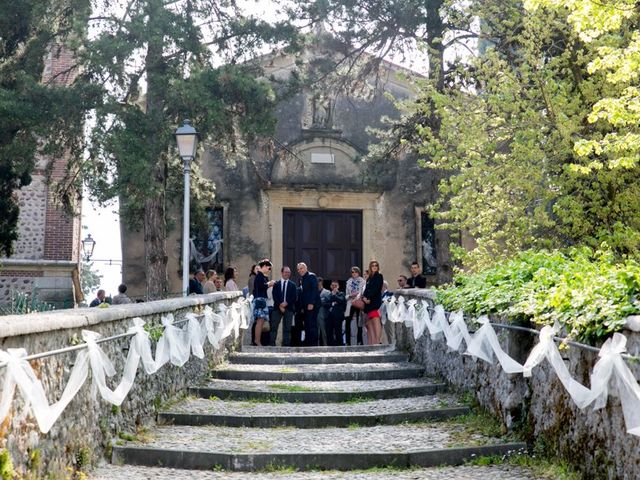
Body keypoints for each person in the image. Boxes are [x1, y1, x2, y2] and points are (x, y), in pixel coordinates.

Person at [270, 266, 297, 347]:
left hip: (289, 309)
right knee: (274, 327)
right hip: (277, 308)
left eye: (288, 272)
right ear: (282, 273)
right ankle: (272, 345)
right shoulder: (276, 284)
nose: (287, 274)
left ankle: (286, 346)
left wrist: (286, 303)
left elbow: (294, 297)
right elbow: (274, 295)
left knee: (287, 329)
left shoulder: (293, 285)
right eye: (285, 272)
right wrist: (280, 304)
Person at [297, 262, 320, 346]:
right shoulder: (302, 279)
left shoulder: (311, 276)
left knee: (312, 325)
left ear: (306, 268)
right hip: (305, 307)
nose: (300, 271)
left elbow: (314, 290)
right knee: (307, 325)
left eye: (301, 268)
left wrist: (311, 303)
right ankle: (308, 344)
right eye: (298, 269)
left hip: (312, 306)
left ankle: (314, 345)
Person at [253, 259, 275, 346]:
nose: (269, 270)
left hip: (262, 300)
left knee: (261, 321)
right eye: (269, 268)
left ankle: (258, 340)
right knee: (260, 321)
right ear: (265, 266)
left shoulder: (262, 276)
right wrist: (270, 284)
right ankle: (257, 341)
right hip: (260, 300)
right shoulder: (259, 275)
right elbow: (261, 286)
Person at [362, 260, 383, 345]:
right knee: (369, 323)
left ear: (378, 267)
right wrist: (364, 298)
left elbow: (376, 289)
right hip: (367, 303)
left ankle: (377, 342)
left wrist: (369, 298)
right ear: (370, 267)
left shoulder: (379, 276)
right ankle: (372, 343)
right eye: (372, 265)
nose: (374, 267)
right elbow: (366, 290)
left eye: (376, 265)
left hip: (374, 302)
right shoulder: (369, 278)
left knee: (376, 320)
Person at [344, 266, 365, 346]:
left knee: (359, 322)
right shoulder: (348, 281)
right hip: (350, 303)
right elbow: (346, 295)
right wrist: (350, 295)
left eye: (355, 272)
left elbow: (363, 292)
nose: (354, 273)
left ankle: (359, 341)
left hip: (358, 302)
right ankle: (347, 342)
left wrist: (357, 295)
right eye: (352, 272)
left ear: (358, 273)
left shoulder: (362, 281)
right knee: (347, 322)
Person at [327, 280, 346, 346]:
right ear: (330, 286)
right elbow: (325, 303)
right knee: (329, 332)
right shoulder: (328, 294)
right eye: (332, 285)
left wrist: (335, 295)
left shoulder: (341, 294)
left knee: (338, 332)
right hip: (329, 316)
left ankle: (340, 346)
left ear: (338, 286)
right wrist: (332, 303)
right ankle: (330, 346)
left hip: (338, 316)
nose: (334, 287)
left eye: (335, 285)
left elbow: (341, 301)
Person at [317, 277, 331, 346]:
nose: (318, 284)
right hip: (315, 316)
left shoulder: (327, 292)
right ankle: (317, 345)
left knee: (324, 332)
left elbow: (330, 304)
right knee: (316, 332)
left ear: (321, 282)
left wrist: (322, 303)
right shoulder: (314, 292)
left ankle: (325, 345)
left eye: (319, 282)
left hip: (324, 316)